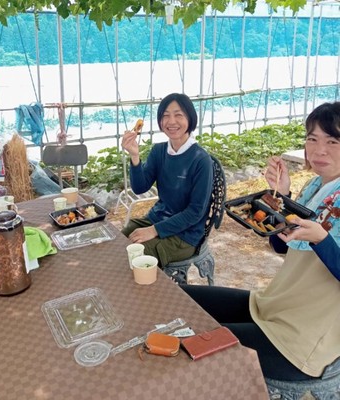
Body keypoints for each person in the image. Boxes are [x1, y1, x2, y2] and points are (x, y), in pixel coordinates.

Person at [181, 101, 340, 381]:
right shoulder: (316, 186)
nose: (319, 150)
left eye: (333, 141)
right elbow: (282, 245)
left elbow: (317, 244)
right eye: (312, 139)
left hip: (302, 339)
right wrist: (281, 197)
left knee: (193, 344)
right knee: (180, 299)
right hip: (274, 306)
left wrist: (321, 239)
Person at [121, 93, 213, 268]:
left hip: (185, 234)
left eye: (178, 115)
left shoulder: (201, 160)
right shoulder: (159, 151)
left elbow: (195, 212)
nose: (171, 121)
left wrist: (154, 230)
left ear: (190, 118)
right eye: (165, 115)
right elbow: (140, 187)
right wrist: (134, 156)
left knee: (136, 256)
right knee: (119, 240)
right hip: (157, 219)